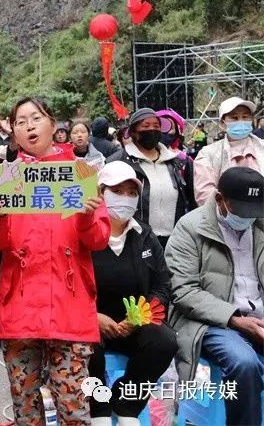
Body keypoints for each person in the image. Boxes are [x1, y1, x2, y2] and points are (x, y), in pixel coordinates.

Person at [0, 97, 109, 425]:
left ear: (53, 124)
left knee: (73, 403)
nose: (29, 126)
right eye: (20, 121)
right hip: (20, 304)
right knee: (25, 404)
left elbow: (98, 240)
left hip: (69, 304)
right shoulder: (6, 177)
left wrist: (86, 216)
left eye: (36, 118)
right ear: (13, 131)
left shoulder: (81, 173)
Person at [167, 167, 264, 426]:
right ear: (220, 199)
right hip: (211, 321)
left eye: (254, 211)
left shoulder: (260, 225)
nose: (248, 217)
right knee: (244, 363)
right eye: (241, 210)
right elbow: (184, 291)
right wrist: (234, 319)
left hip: (258, 315)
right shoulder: (191, 228)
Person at [89, 162, 177, 426]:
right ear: (100, 192)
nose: (125, 198)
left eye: (131, 193)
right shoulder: (84, 232)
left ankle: (126, 404)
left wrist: (140, 316)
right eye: (117, 191)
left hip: (134, 321)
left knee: (164, 341)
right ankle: (98, 407)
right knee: (84, 345)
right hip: (91, 320)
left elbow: (162, 284)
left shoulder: (144, 235)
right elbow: (66, 286)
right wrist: (92, 316)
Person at [107, 108, 194, 248]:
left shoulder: (177, 162)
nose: (152, 129)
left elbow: (191, 199)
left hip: (174, 240)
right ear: (134, 132)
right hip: (133, 241)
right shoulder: (118, 161)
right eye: (146, 126)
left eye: (156, 126)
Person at [194, 97, 264, 206]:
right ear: (223, 123)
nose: (241, 121)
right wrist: (230, 211)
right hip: (225, 215)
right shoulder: (207, 154)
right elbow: (205, 196)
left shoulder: (262, 147)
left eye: (245, 117)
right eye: (234, 118)